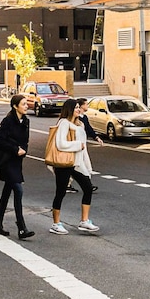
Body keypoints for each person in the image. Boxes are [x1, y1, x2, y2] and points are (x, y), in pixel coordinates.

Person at [49, 98, 99, 235]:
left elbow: (83, 149)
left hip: (76, 163)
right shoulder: (63, 123)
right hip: (64, 163)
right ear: (70, 109)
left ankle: (84, 221)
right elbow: (61, 144)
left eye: (79, 107)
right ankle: (56, 224)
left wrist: (86, 164)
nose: (78, 109)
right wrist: (78, 145)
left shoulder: (79, 124)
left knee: (87, 188)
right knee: (61, 192)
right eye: (76, 107)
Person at [0, 94, 35, 240]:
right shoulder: (8, 121)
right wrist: (15, 149)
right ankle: (21, 227)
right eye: (23, 104)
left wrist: (23, 151)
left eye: (26, 103)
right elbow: (0, 140)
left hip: (17, 161)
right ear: (15, 106)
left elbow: (26, 141)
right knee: (18, 189)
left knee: (7, 192)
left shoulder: (26, 121)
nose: (26, 106)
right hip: (6, 160)